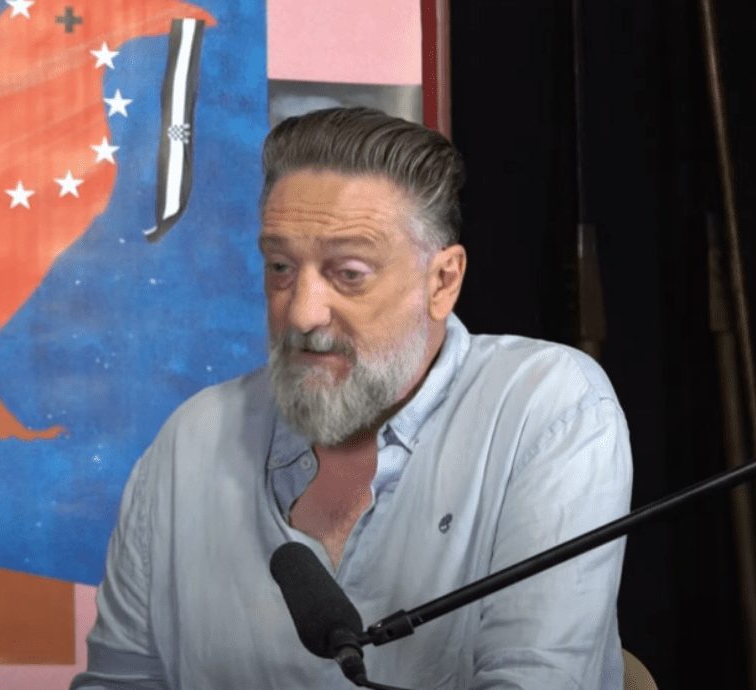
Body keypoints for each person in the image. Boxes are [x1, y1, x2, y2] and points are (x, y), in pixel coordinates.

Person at [70, 107, 633, 689]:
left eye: (349, 273)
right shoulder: (190, 442)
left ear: (442, 281)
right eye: (281, 266)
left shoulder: (545, 409)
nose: (302, 313)